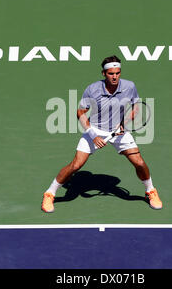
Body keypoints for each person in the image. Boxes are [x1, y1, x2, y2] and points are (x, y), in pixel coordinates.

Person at [41, 55, 162, 213]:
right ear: (104, 74)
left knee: (139, 162)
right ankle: (50, 193)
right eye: (111, 73)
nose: (115, 77)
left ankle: (150, 191)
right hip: (95, 129)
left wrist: (124, 124)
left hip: (118, 131)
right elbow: (80, 113)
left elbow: (135, 108)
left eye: (117, 73)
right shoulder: (93, 89)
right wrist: (93, 135)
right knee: (76, 165)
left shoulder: (129, 86)